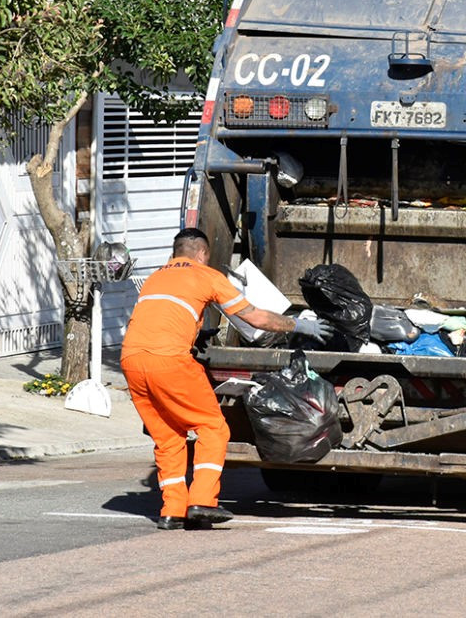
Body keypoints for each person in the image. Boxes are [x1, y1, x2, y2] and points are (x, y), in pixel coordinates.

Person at [121, 227, 331, 530]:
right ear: (202, 253)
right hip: (169, 360)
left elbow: (164, 317)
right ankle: (203, 502)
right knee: (213, 428)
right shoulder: (207, 276)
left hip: (132, 361)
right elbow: (254, 317)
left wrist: (197, 332)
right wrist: (298, 325)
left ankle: (172, 510)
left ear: (175, 251)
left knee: (168, 438)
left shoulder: (155, 277)